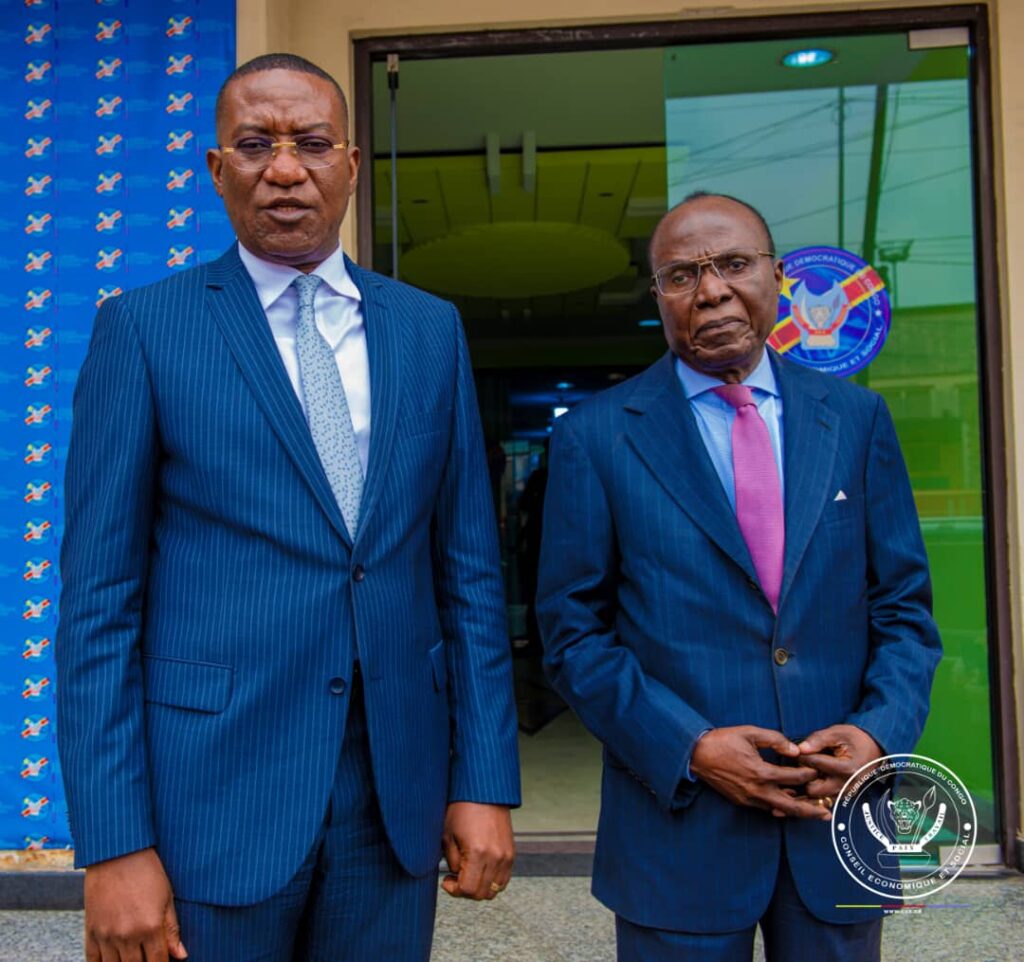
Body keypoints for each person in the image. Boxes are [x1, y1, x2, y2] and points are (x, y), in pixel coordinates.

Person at [56, 53, 520, 962]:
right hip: (210, 799)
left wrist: (485, 779)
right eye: (254, 144)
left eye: (310, 143)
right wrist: (113, 845)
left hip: (392, 799)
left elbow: (467, 573)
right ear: (215, 168)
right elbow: (97, 606)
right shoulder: (143, 329)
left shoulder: (428, 330)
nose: (284, 168)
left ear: (350, 163)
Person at [537, 192, 941, 961]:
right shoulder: (596, 437)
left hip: (835, 823)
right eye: (682, 275)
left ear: (777, 276)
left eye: (733, 264)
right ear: (658, 298)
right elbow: (572, 635)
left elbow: (903, 611)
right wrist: (689, 746)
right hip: (679, 831)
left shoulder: (856, 420)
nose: (712, 291)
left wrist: (877, 734)